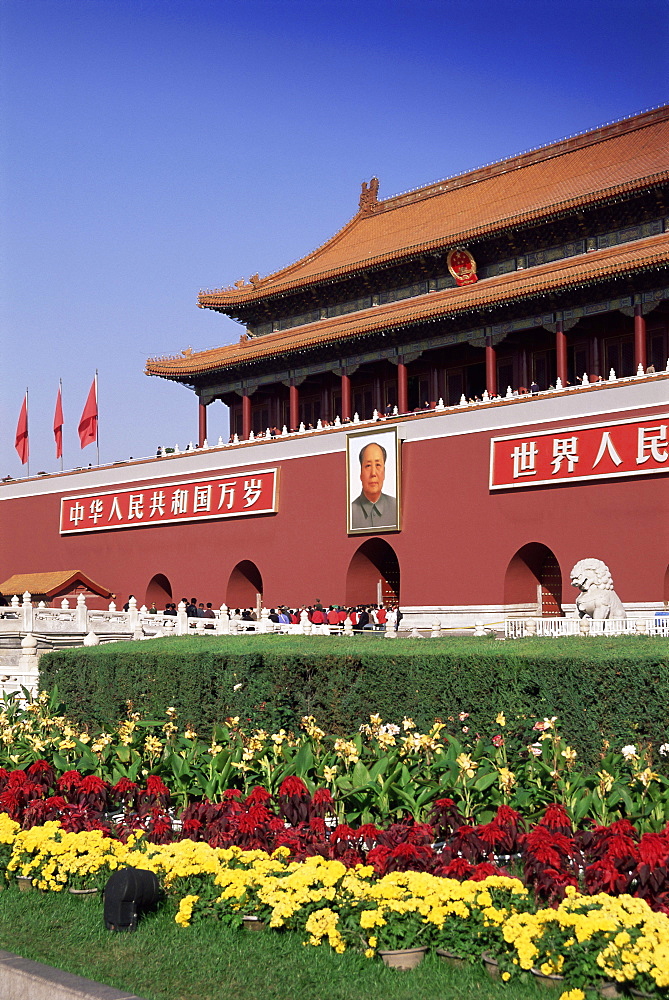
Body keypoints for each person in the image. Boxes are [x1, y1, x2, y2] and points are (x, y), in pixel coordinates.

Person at [350, 441, 398, 530]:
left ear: (384, 472)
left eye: (378, 465)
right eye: (368, 466)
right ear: (360, 473)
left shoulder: (398, 508)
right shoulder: (349, 513)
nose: (373, 473)